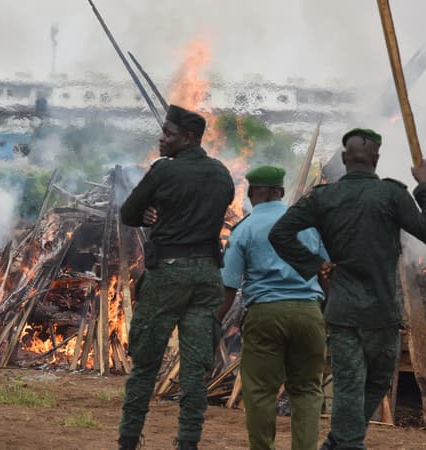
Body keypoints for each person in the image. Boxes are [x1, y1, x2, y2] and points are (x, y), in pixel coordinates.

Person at [268, 128, 426, 450]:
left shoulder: (323, 197)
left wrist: (314, 264)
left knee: (353, 383)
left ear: (345, 159)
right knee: (373, 381)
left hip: (345, 310)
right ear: (376, 160)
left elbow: (279, 234)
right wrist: (425, 186)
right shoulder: (393, 194)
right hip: (382, 312)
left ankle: (339, 440)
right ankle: (349, 444)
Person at [117, 104, 235, 450]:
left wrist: (153, 214)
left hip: (168, 274)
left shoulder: (162, 172)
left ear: (188, 138)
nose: (161, 138)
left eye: (168, 133)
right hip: (208, 275)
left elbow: (128, 213)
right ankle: (187, 442)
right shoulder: (222, 174)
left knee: (145, 364)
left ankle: (128, 439)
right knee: (195, 370)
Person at [219, 165, 328, 450]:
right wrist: (326, 314)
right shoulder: (307, 224)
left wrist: (212, 323)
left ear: (252, 192)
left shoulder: (244, 229)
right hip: (308, 312)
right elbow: (328, 272)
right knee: (307, 391)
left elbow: (229, 286)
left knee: (260, 393)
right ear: (281, 192)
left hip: (265, 314)